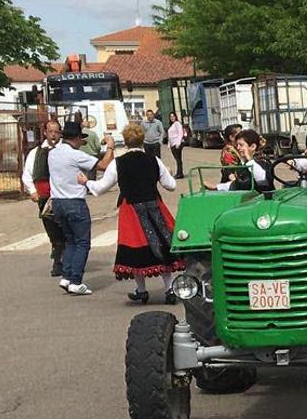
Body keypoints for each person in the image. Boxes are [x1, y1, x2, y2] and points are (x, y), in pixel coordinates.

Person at [86, 122, 184, 304]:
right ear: (142, 139)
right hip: (154, 205)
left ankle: (141, 290)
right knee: (162, 243)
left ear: (125, 140)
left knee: (135, 246)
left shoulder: (118, 163)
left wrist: (86, 182)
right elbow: (171, 185)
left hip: (131, 208)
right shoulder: (154, 160)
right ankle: (170, 289)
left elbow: (99, 189)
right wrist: (165, 173)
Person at [49, 121, 115, 295]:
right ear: (77, 138)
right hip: (74, 201)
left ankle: (67, 276)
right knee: (82, 242)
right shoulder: (75, 155)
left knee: (70, 241)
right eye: (81, 140)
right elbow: (104, 165)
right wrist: (110, 147)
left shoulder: (53, 153)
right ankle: (76, 280)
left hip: (57, 201)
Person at [20, 120, 66, 275]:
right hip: (45, 198)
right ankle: (58, 259)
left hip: (63, 196)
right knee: (52, 229)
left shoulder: (65, 151)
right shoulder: (36, 152)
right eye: (50, 131)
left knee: (65, 228)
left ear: (60, 133)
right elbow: (27, 174)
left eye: (56, 131)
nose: (53, 134)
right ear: (45, 133)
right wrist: (32, 191)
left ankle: (62, 260)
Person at [167, 112, 185, 177]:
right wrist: (169, 144)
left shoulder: (177, 124)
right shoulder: (172, 125)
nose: (172, 118)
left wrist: (178, 143)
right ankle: (179, 172)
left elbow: (180, 133)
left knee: (178, 159)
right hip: (173, 144)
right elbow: (170, 136)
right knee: (177, 159)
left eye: (173, 116)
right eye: (170, 117)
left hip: (177, 144)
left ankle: (180, 173)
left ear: (175, 117)